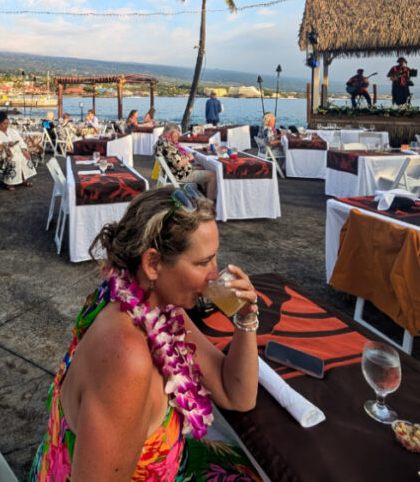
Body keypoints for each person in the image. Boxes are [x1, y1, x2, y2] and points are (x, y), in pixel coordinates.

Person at [29, 186, 262, 481]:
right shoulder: (126, 359)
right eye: (203, 262)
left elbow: (237, 394)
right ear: (152, 263)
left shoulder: (150, 304)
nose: (215, 274)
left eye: (215, 259)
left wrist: (247, 317)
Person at [154, 123, 218, 200]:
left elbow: (173, 158)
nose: (177, 137)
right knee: (213, 175)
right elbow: (178, 164)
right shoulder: (168, 145)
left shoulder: (161, 141)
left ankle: (203, 195)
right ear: (172, 133)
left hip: (172, 172)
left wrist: (185, 157)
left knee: (203, 167)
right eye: (177, 134)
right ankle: (209, 203)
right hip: (181, 174)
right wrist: (188, 157)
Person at [0, 110, 36, 189]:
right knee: (15, 160)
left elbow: (20, 140)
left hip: (17, 150)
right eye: (4, 124)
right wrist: (7, 143)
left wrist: (24, 150)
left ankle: (23, 179)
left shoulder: (11, 131)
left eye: (7, 123)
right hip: (5, 152)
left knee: (23, 158)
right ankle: (10, 182)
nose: (6, 125)